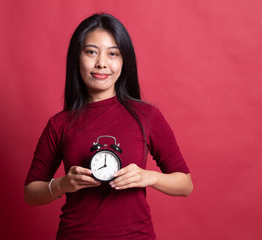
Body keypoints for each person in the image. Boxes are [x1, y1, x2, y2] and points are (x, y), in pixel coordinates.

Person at [24, 13, 193, 240]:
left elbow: (185, 185)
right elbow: (31, 193)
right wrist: (63, 184)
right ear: (77, 58)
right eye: (91, 52)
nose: (101, 62)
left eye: (113, 53)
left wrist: (147, 177)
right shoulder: (59, 123)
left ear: (124, 61)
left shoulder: (147, 116)